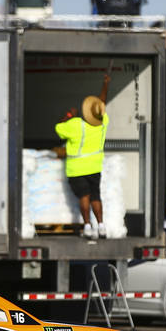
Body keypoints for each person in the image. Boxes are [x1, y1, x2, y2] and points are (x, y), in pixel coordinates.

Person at [53, 73, 110, 239]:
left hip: (77, 169)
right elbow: (101, 104)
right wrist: (106, 85)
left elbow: (58, 128)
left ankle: (87, 226)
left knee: (84, 197)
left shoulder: (75, 125)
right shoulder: (103, 123)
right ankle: (101, 226)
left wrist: (69, 115)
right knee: (96, 196)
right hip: (94, 167)